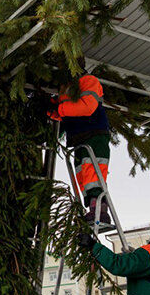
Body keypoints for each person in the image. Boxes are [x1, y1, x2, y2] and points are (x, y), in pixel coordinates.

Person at [48, 57, 112, 224]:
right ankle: (92, 209)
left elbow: (87, 107)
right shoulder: (66, 88)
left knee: (93, 173)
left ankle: (100, 210)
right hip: (79, 138)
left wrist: (59, 108)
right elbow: (64, 113)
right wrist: (50, 111)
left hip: (94, 134)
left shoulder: (88, 81)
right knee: (83, 178)